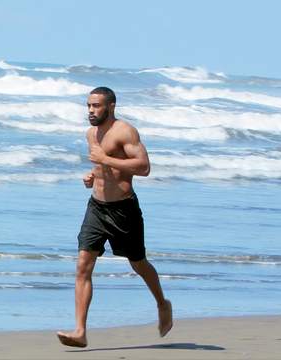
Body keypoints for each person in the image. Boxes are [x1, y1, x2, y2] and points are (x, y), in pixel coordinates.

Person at [57, 87, 172, 348]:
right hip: (96, 208)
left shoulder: (125, 132)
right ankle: (80, 331)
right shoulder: (91, 134)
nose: (90, 111)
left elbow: (143, 167)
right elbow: (102, 167)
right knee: (83, 265)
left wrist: (105, 159)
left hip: (123, 210)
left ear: (111, 107)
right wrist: (93, 176)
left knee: (138, 263)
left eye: (96, 106)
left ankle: (162, 304)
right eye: (88, 106)